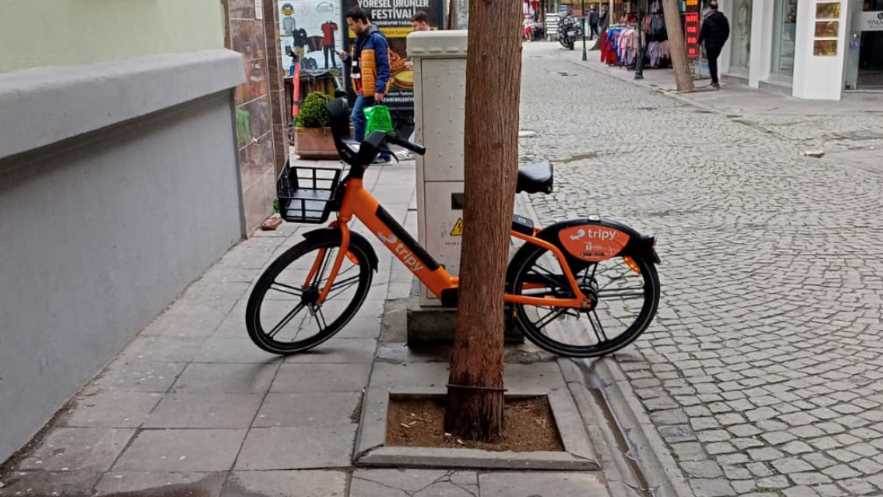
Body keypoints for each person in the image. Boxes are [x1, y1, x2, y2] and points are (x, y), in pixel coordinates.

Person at [341, 7, 391, 161]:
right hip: (364, 87)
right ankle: (383, 153)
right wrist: (347, 59)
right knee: (373, 121)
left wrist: (380, 88)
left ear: (361, 21)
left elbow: (384, 65)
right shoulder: (361, 39)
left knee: (357, 117)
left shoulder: (377, 39)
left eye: (352, 25)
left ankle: (361, 153)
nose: (351, 28)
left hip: (372, 88)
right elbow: (361, 66)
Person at [698, 0, 730, 89]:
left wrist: (698, 43)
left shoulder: (707, 19)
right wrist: (722, 41)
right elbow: (727, 31)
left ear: (710, 8)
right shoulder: (724, 18)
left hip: (710, 45)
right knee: (714, 61)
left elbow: (703, 33)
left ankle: (715, 82)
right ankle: (714, 80)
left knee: (712, 62)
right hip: (719, 45)